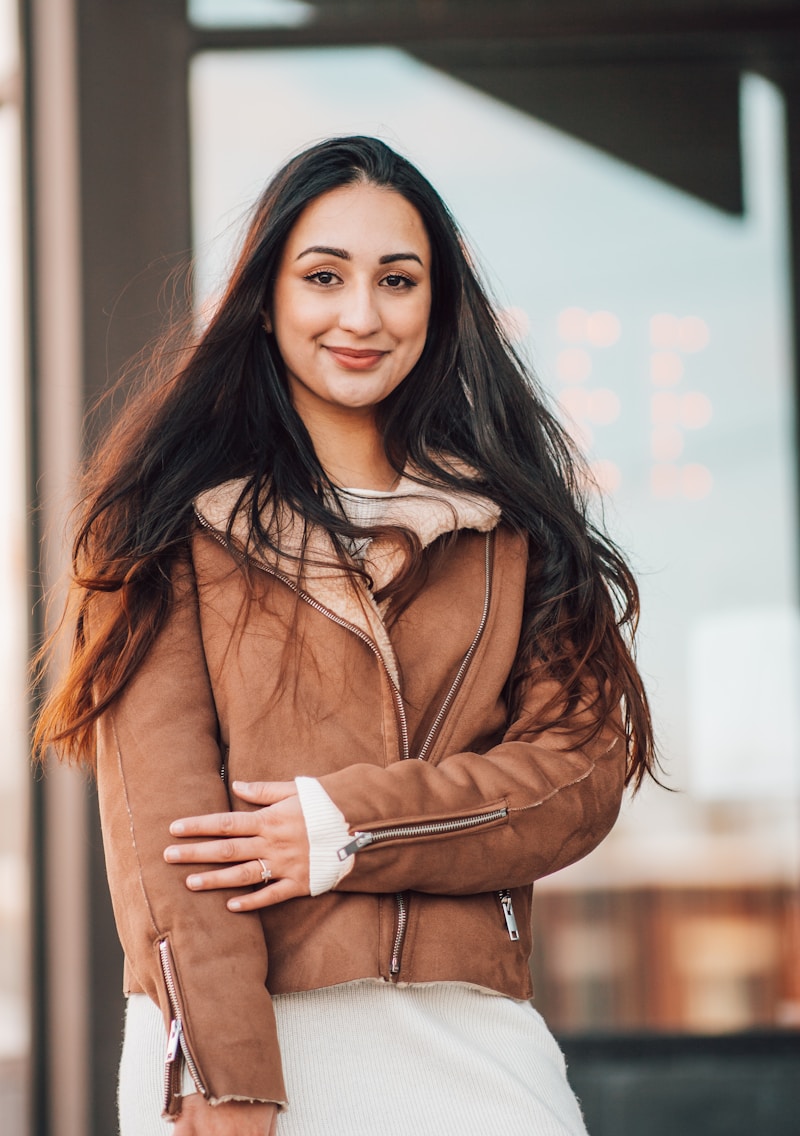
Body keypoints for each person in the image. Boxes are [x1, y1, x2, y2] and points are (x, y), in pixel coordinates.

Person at [34, 135, 655, 1135]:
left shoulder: (514, 532)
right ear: (267, 294)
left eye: (396, 280)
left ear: (437, 304)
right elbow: (170, 851)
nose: (360, 315)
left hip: (474, 1046)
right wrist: (227, 1088)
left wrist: (344, 828)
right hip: (253, 1044)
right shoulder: (169, 526)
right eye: (323, 276)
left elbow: (573, 781)